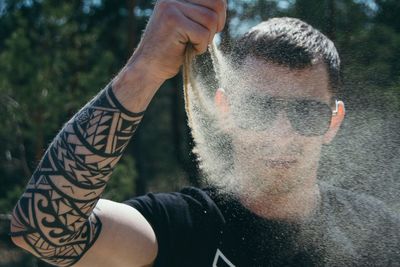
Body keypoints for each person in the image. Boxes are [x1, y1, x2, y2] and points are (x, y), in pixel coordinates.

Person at [9, 0, 399, 266]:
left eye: (306, 112)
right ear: (226, 111)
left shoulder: (377, 230)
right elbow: (43, 230)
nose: (281, 133)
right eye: (261, 108)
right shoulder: (183, 227)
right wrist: (144, 68)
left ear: (333, 122)